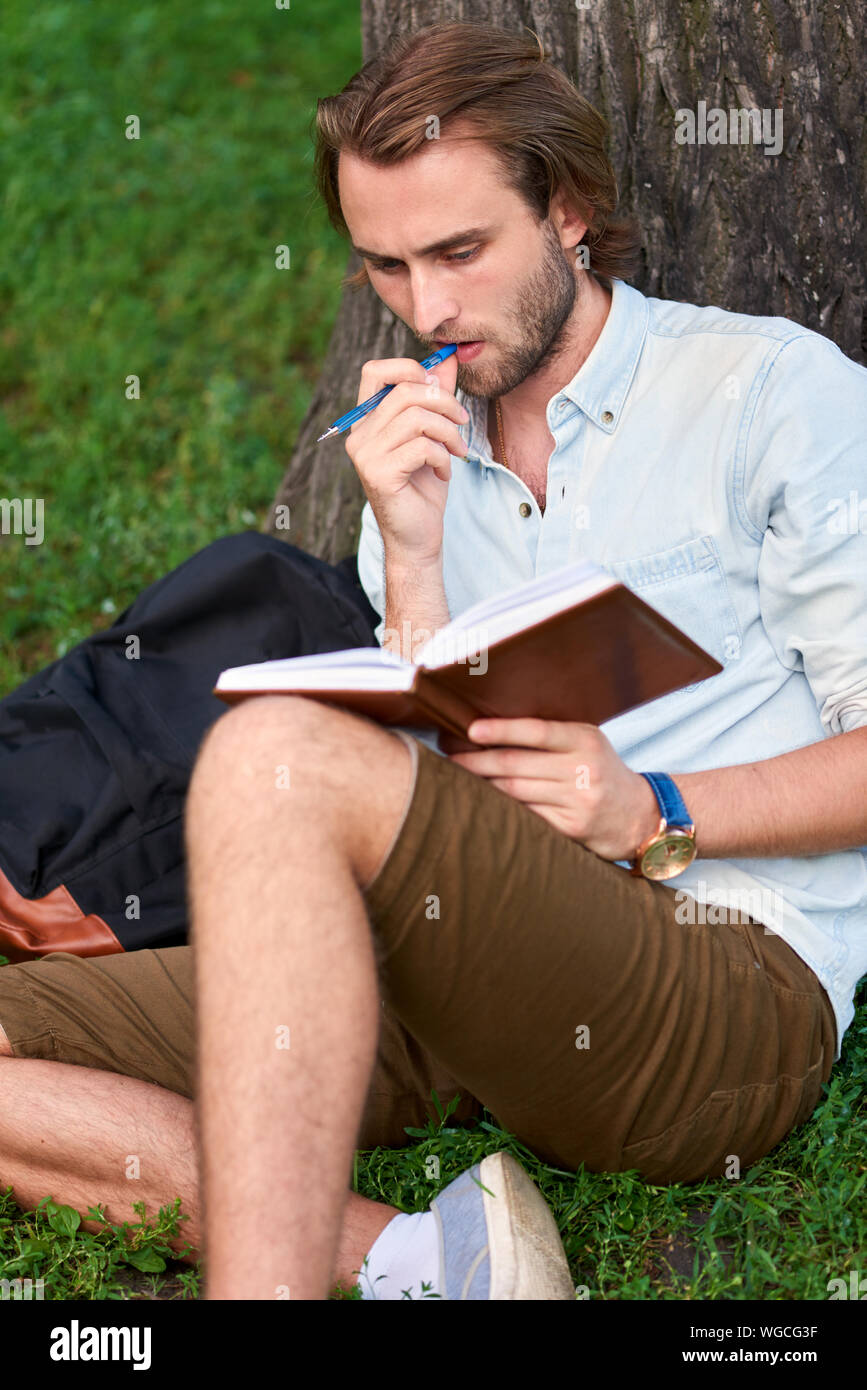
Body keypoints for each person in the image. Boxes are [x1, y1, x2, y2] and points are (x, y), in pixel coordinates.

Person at [1, 20, 865, 1301]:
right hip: (460, 972)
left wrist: (658, 810)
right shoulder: (414, 446)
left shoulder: (771, 397)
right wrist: (410, 551)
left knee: (279, 752)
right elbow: (425, 776)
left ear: (568, 209)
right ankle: (414, 1255)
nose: (430, 308)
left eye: (462, 250)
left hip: (719, 984)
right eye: (387, 266)